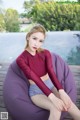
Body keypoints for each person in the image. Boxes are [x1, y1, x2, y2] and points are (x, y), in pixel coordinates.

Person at [16, 24, 80, 120]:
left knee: (68, 103)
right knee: (56, 107)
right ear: (28, 37)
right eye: (34, 38)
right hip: (36, 91)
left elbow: (51, 72)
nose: (36, 44)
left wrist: (61, 91)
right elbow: (35, 78)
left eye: (40, 41)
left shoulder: (46, 53)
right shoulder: (21, 59)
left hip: (51, 86)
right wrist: (52, 97)